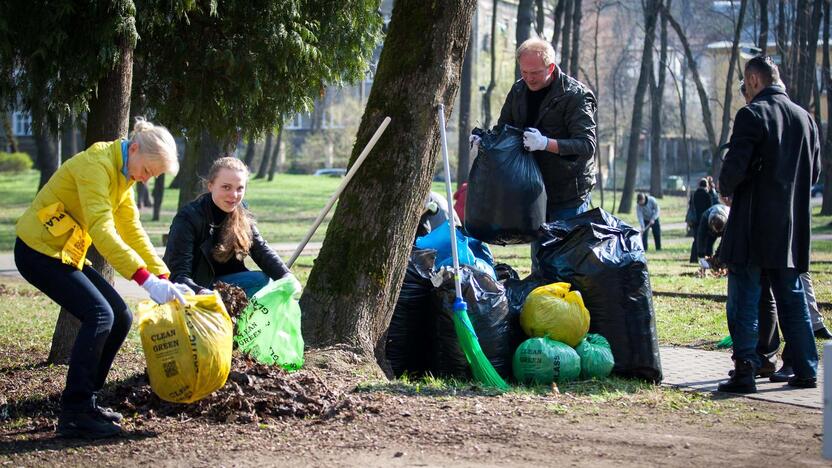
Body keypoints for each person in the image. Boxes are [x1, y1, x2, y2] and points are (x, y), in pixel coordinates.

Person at [14, 117, 187, 438]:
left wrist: (163, 274)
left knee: (119, 316)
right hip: (37, 251)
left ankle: (87, 403)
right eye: (148, 171)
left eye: (153, 175)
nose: (147, 179)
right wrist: (145, 281)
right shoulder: (97, 166)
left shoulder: (125, 172)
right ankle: (74, 413)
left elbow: (131, 230)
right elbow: (103, 230)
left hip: (64, 252)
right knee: (99, 314)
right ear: (134, 148)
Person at [716, 56, 821, 393]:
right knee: (792, 296)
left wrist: (727, 188)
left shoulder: (752, 114)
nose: (744, 93)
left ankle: (745, 370)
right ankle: (806, 368)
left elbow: (734, 168)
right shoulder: (806, 119)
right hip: (790, 227)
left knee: (745, 296)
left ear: (755, 81)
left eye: (745, 86)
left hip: (752, 224)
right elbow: (814, 173)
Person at [469, 37, 596, 273]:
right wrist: (484, 141)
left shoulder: (575, 96)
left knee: (568, 260)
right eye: (524, 71)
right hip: (533, 192)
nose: (528, 78)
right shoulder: (519, 90)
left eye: (535, 72)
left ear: (550, 67)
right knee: (541, 260)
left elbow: (586, 145)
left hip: (568, 192)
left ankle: (572, 307)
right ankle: (546, 304)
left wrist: (546, 143)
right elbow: (503, 131)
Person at [164, 157, 293, 298]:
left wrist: (286, 275)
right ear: (210, 185)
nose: (234, 195)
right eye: (226, 187)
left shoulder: (241, 211)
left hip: (224, 286)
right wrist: (199, 291)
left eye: (240, 188)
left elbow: (261, 250)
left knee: (265, 282)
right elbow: (178, 274)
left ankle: (236, 318)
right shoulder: (189, 217)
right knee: (258, 281)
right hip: (193, 290)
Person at [689, 178, 715, 262]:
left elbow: (691, 206)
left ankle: (693, 259)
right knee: (706, 239)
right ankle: (707, 257)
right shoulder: (707, 195)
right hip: (704, 221)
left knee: (696, 240)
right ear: (706, 185)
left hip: (695, 221)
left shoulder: (694, 194)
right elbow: (710, 207)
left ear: (699, 185)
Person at [696, 203, 728, 271]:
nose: (717, 233)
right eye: (715, 231)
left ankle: (720, 264)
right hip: (710, 228)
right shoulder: (705, 218)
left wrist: (718, 255)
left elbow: (724, 242)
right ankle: (708, 264)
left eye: (718, 231)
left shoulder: (729, 222)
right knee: (708, 243)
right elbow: (701, 237)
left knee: (723, 252)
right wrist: (701, 255)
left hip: (726, 221)